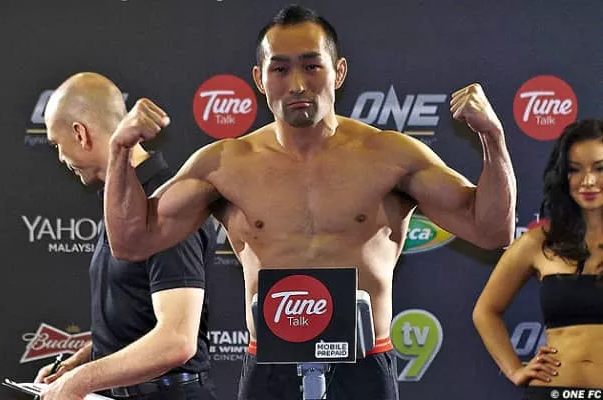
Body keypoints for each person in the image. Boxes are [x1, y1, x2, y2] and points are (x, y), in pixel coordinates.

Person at [103, 5, 516, 400]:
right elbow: (131, 241)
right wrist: (120, 151)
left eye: (312, 66)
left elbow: (491, 229)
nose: (297, 84)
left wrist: (493, 138)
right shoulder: (224, 165)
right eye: (280, 69)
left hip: (364, 368)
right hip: (270, 372)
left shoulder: (390, 157)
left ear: (339, 71)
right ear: (259, 78)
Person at [34, 72, 217, 400]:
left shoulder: (166, 205)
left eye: (57, 145)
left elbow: (177, 340)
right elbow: (136, 322)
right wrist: (79, 363)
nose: (61, 158)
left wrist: (81, 381)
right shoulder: (121, 203)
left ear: (80, 134)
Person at [473, 119, 603, 399]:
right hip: (550, 390)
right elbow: (485, 311)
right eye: (575, 170)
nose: (588, 180)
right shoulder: (539, 241)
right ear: (562, 176)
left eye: (600, 168)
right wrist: (514, 369)